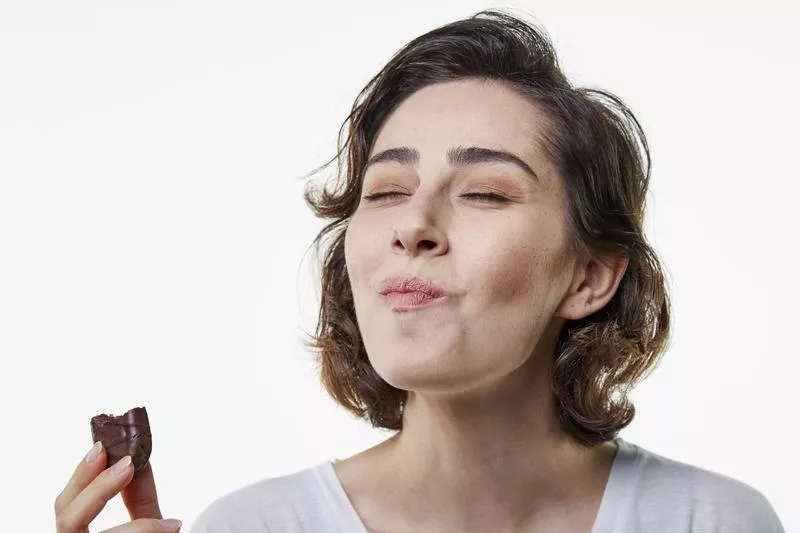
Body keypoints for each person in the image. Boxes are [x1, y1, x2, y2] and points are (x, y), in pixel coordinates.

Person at [54, 9, 785, 533]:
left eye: (484, 193)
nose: (412, 226)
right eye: (386, 192)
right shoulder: (252, 524)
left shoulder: (711, 521)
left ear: (589, 275)